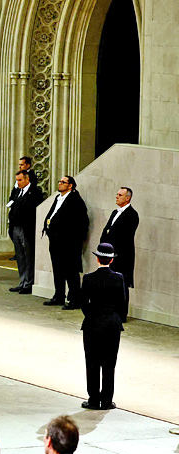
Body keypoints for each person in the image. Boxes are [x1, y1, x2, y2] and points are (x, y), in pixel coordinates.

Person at [80, 242, 128, 411]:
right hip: (112, 325)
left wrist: (93, 316)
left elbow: (83, 303)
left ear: (97, 259)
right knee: (109, 363)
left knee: (92, 362)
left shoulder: (88, 278)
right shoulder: (119, 278)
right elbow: (123, 303)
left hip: (92, 324)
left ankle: (93, 399)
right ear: (111, 260)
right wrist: (116, 318)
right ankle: (107, 400)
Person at [41, 174, 88, 309]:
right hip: (55, 240)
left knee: (71, 271)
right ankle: (59, 295)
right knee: (57, 269)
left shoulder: (75, 200)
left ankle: (74, 299)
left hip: (69, 243)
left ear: (70, 185)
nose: (60, 183)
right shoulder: (58, 198)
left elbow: (81, 222)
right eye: (59, 181)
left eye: (63, 182)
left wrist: (71, 237)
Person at [6, 169, 43, 293]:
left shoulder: (35, 193)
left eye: (20, 180)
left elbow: (33, 211)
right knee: (20, 256)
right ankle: (22, 281)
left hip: (27, 228)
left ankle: (29, 282)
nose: (18, 183)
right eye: (17, 180)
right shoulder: (18, 192)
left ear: (27, 180)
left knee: (28, 256)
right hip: (16, 227)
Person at [99, 186, 137, 292]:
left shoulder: (132, 215)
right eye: (117, 194)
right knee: (108, 285)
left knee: (121, 286)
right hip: (109, 255)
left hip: (121, 256)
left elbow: (124, 237)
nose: (116, 197)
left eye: (120, 195)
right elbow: (106, 230)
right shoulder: (115, 212)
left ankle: (121, 309)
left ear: (127, 198)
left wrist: (113, 252)